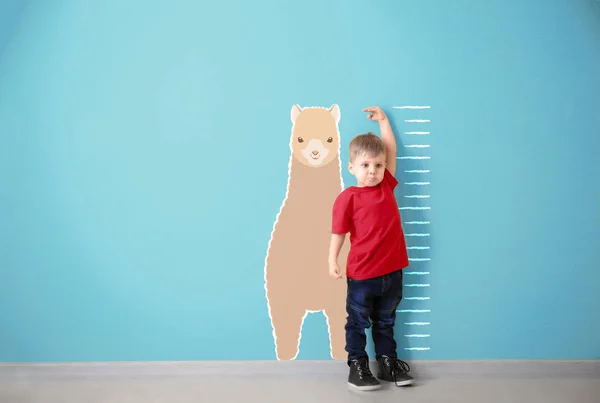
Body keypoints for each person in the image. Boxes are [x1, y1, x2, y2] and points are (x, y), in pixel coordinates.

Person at [328, 106, 414, 391]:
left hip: (392, 273)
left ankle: (388, 362)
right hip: (363, 275)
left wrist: (384, 122)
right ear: (351, 167)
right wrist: (332, 260)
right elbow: (338, 233)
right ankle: (358, 365)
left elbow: (390, 149)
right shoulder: (347, 198)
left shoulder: (386, 187)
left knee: (386, 322)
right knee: (357, 323)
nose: (373, 171)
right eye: (365, 166)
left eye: (378, 165)